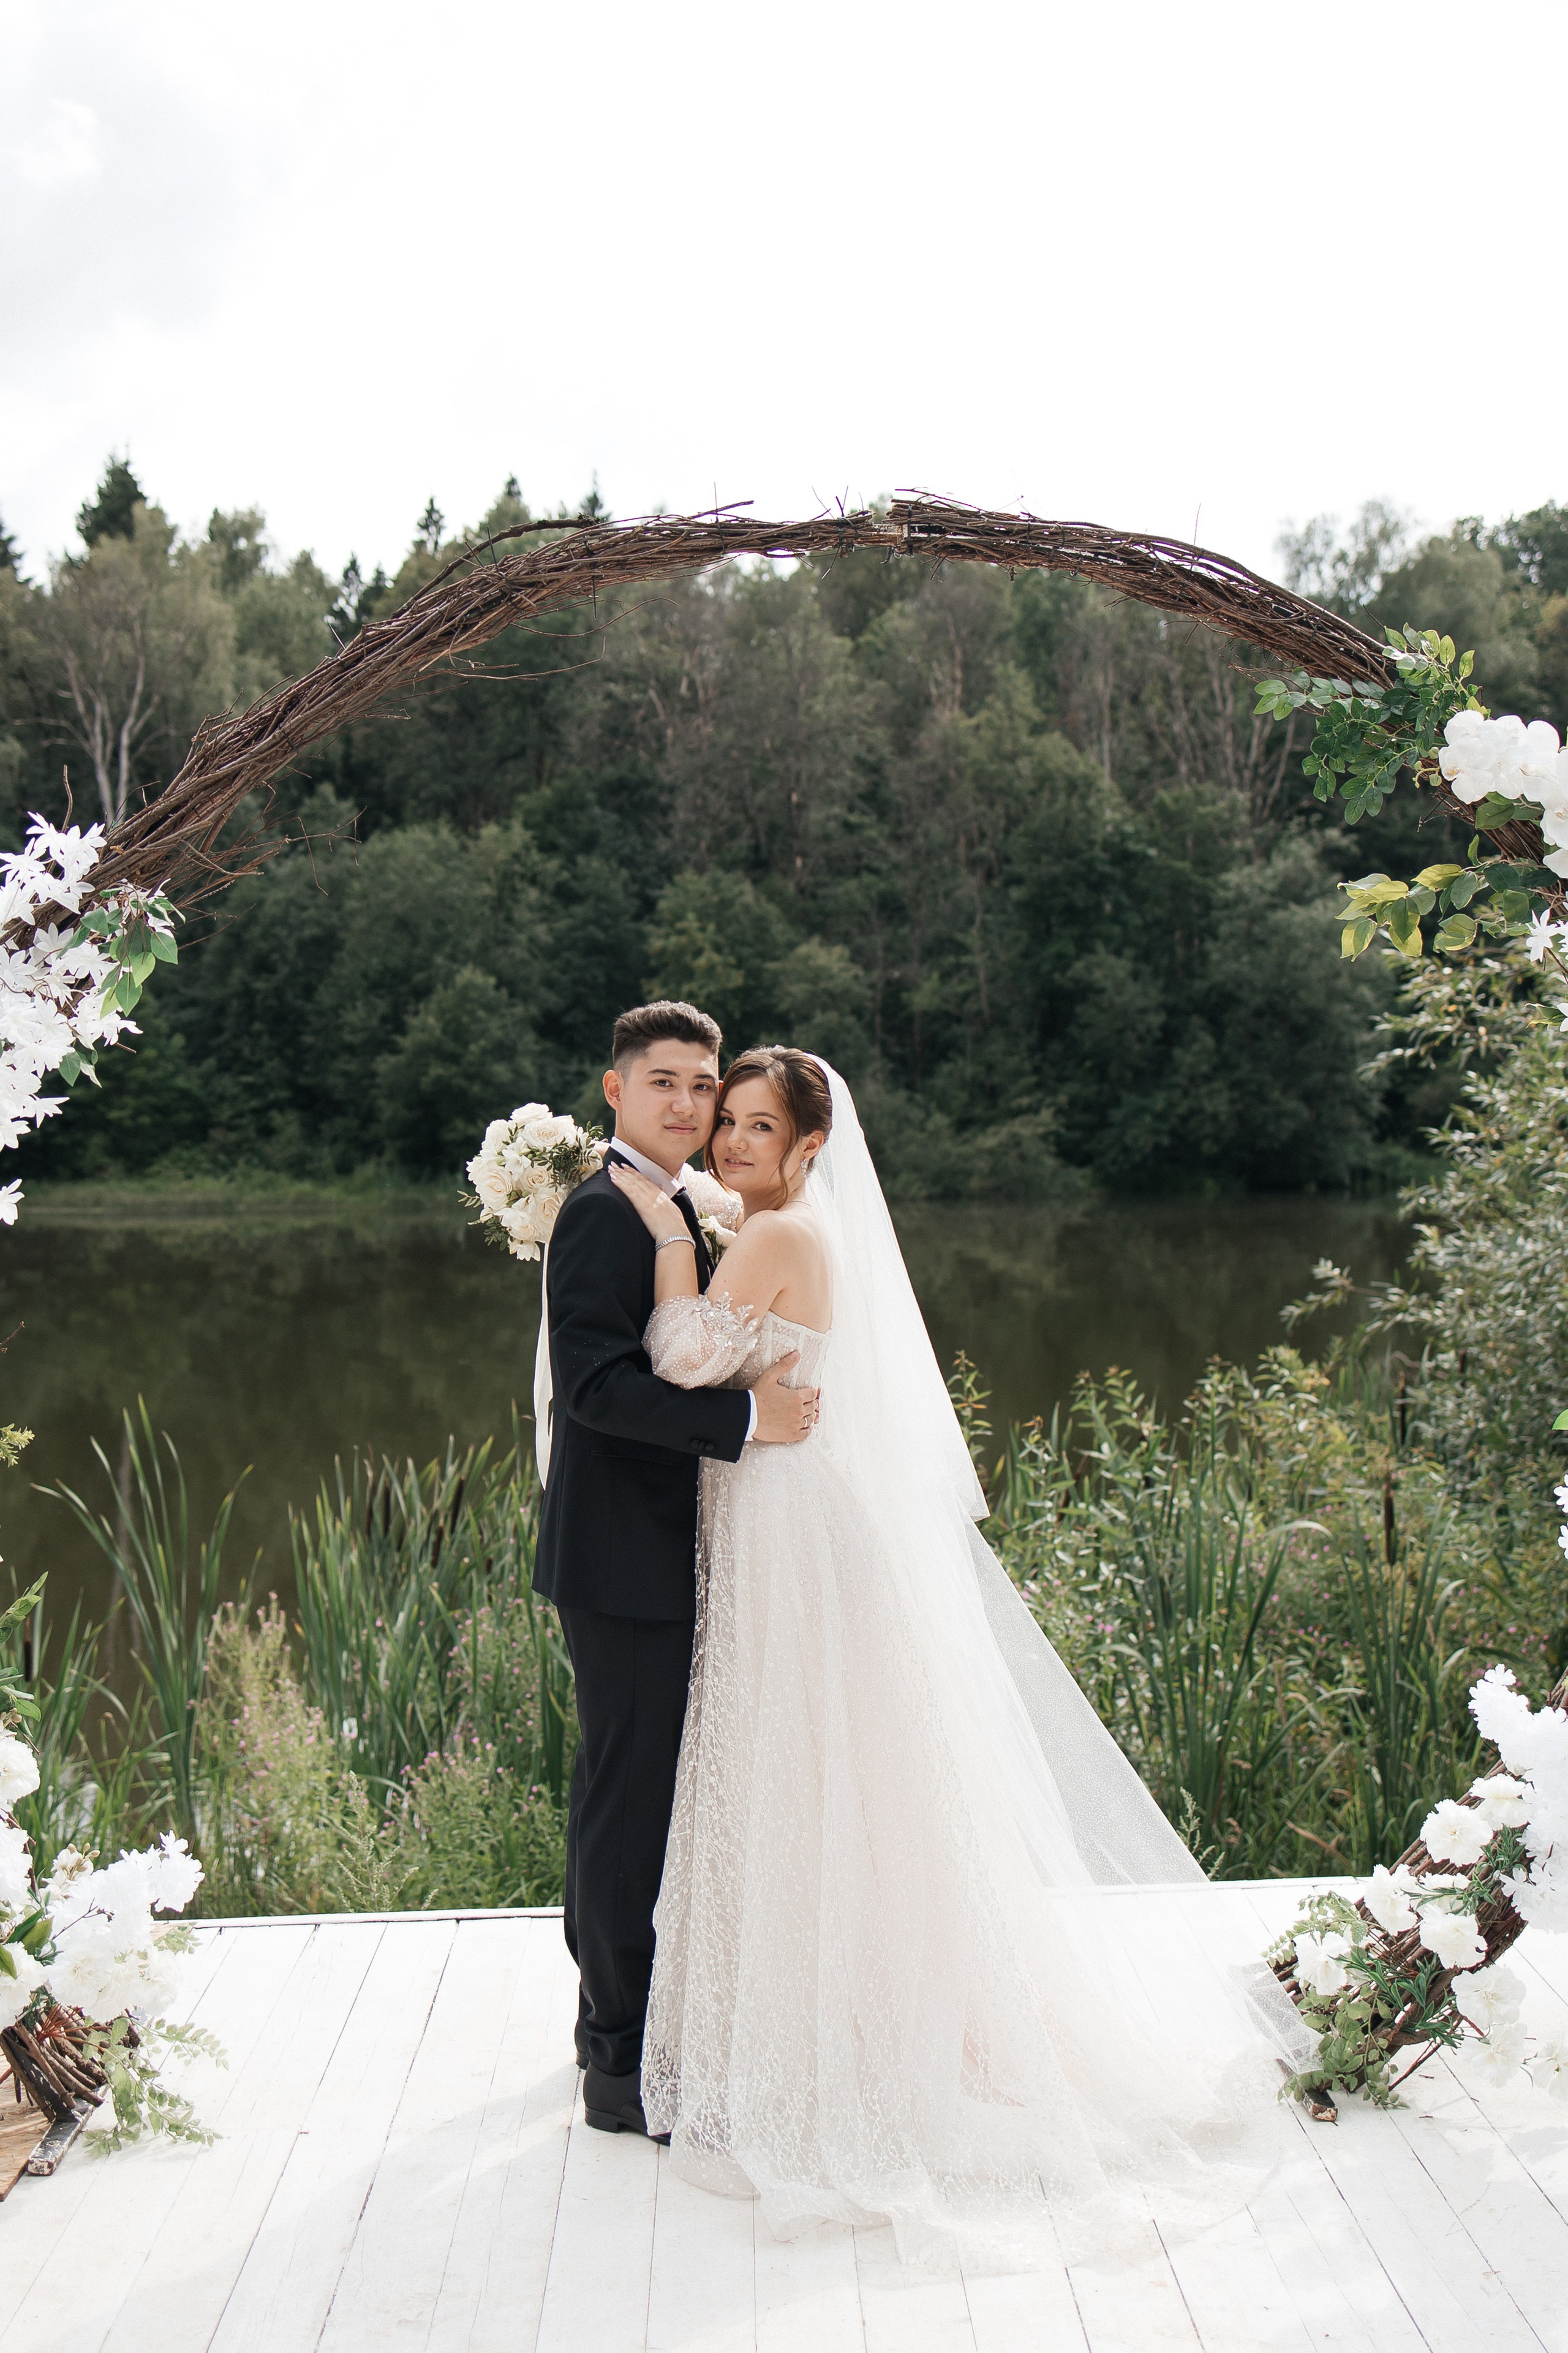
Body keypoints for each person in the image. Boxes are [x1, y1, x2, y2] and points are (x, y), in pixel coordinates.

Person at [608, 1044, 1314, 2272]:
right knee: (822, 1778)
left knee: (803, 1770)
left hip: (788, 1524)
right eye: (724, 1125)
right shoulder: (785, 1226)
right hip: (783, 1514)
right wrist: (707, 1216)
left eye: (754, 1130)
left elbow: (677, 1354)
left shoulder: (777, 1238)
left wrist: (665, 1221)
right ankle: (831, 2024)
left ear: (810, 1146)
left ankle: (837, 2055)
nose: (727, 1146)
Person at [531, 1002, 818, 2141]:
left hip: (673, 1553)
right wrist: (750, 1417)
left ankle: (633, 2028)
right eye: (667, 1083)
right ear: (615, 1090)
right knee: (627, 1803)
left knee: (645, 1796)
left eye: (705, 1086)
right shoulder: (602, 1212)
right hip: (622, 1560)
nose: (691, 1105)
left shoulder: (689, 1206)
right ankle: (613, 2064)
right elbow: (597, 1389)